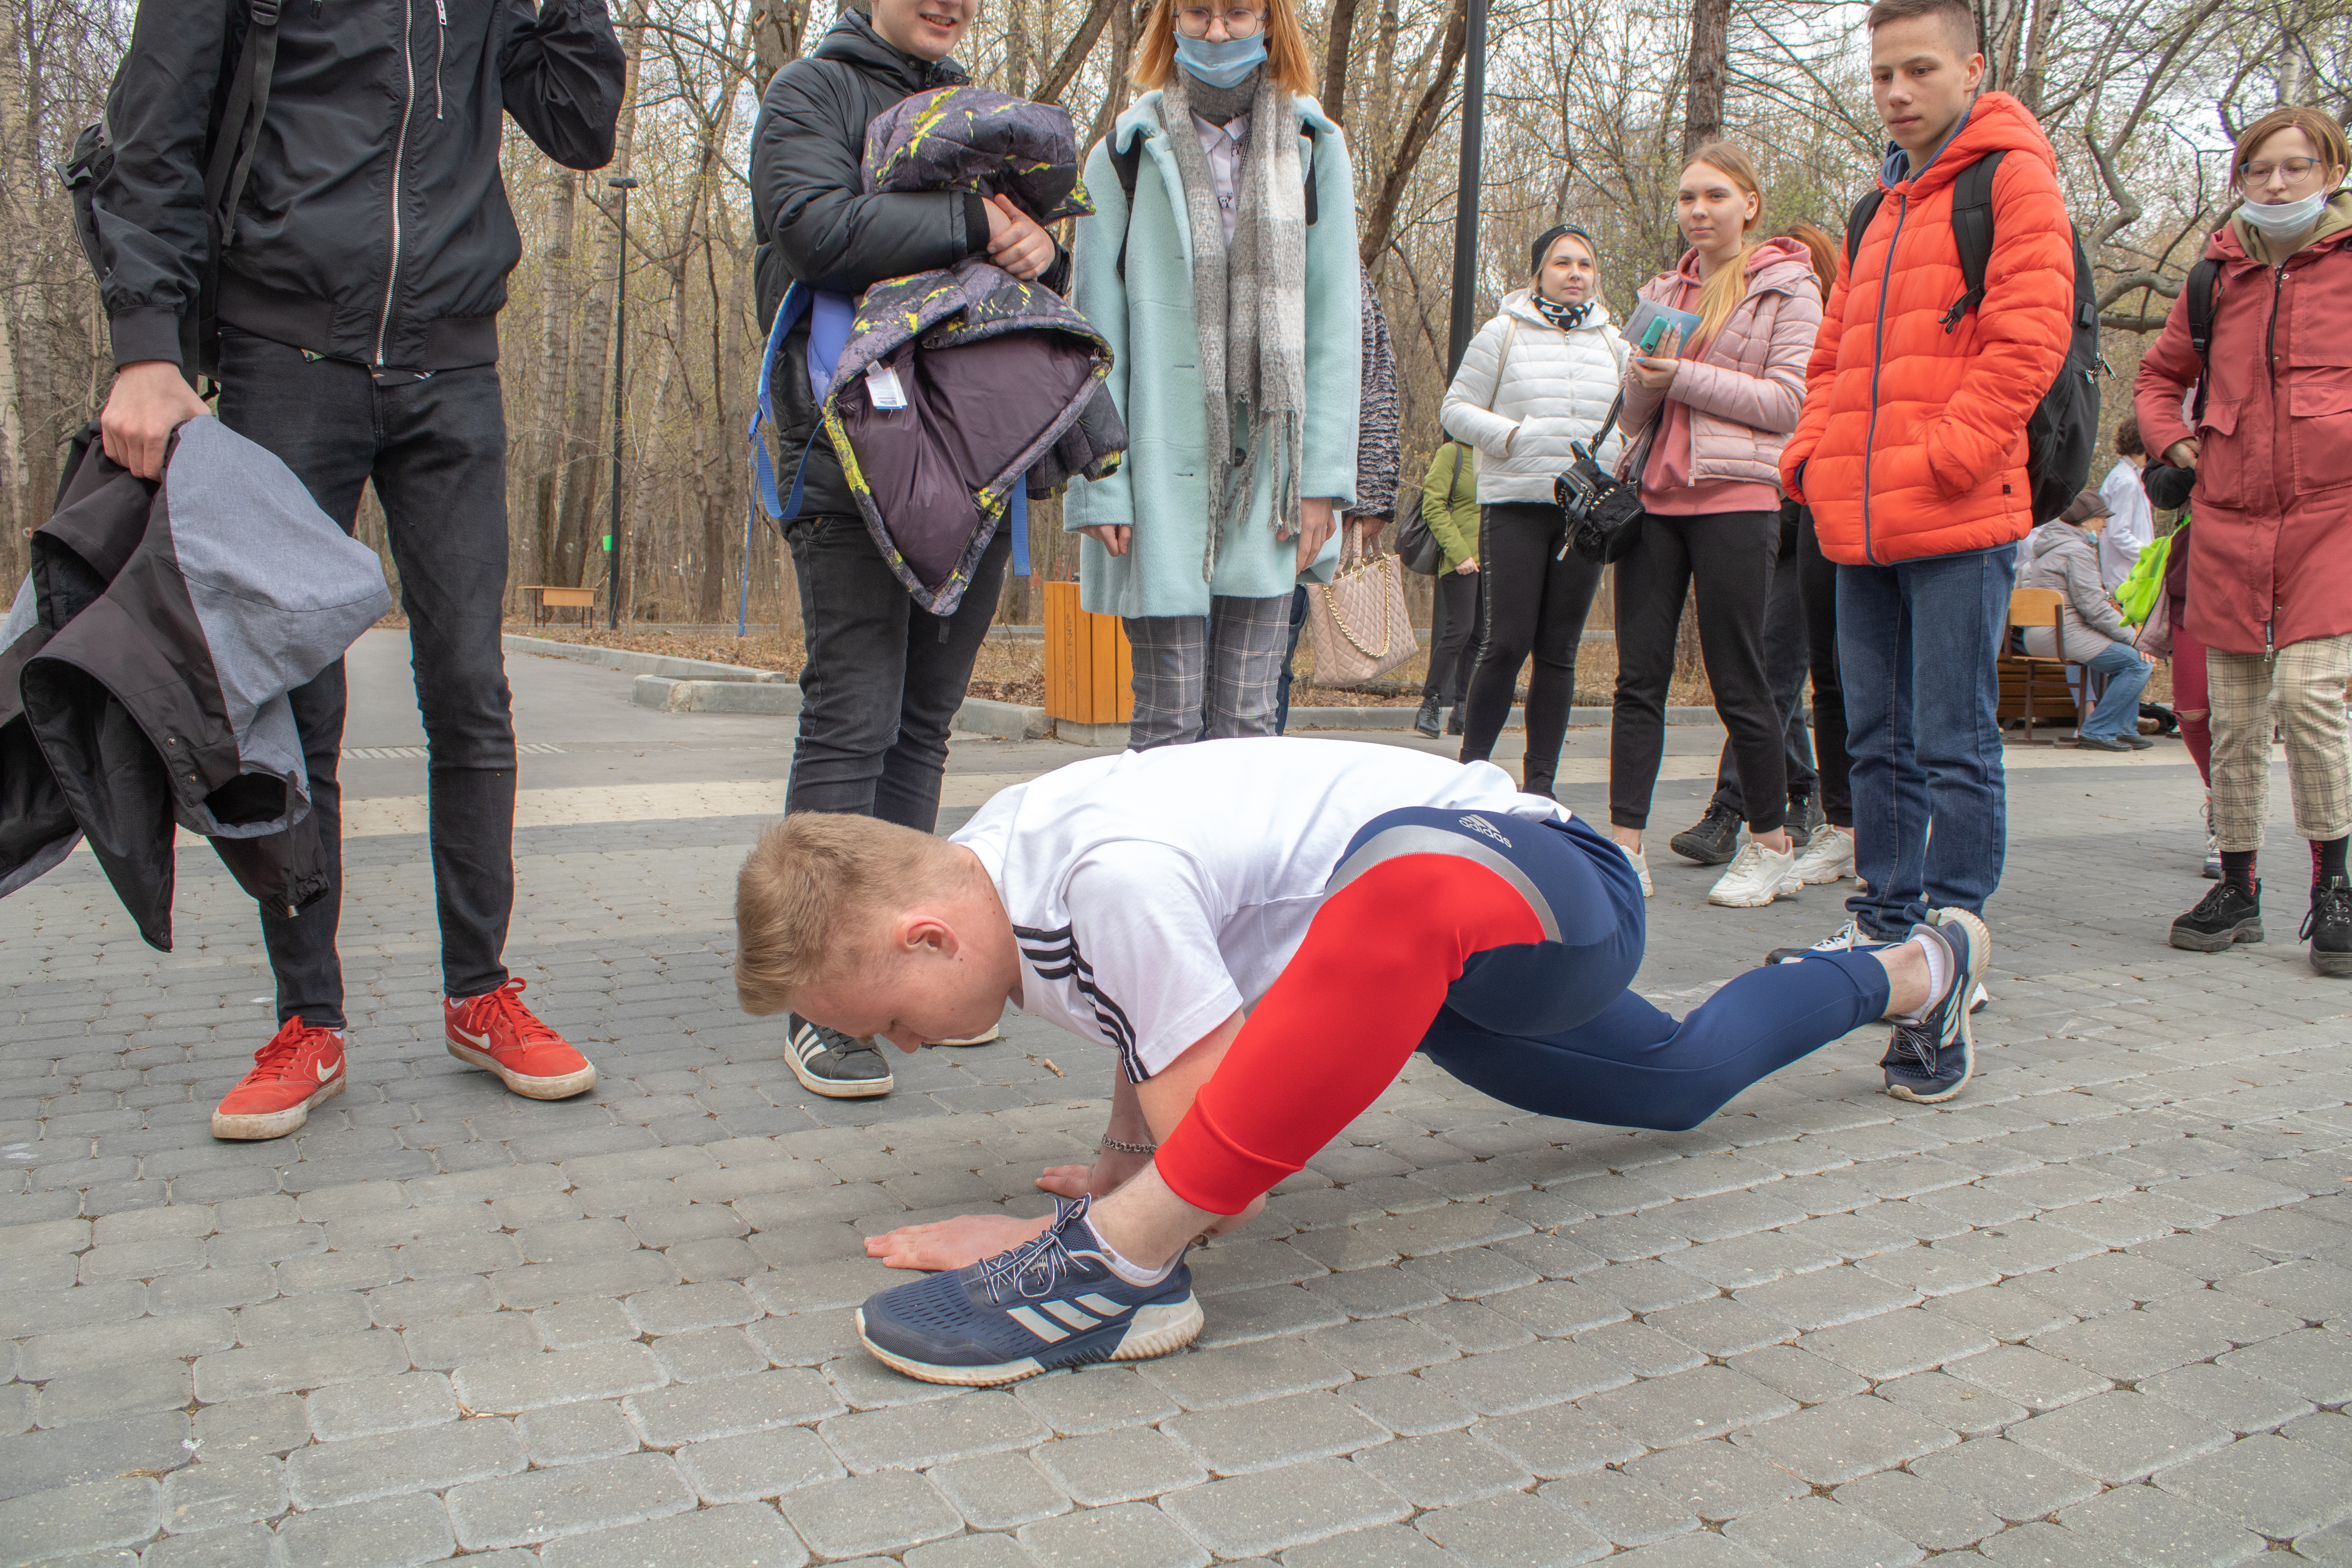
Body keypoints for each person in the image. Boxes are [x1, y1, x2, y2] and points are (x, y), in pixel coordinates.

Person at [728, 739, 1993, 1386]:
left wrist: (1094, 1225)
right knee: (1675, 1086)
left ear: (928, 934)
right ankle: (1917, 969)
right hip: (1418, 976)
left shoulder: (1091, 874)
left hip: (1537, 884)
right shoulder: (1003, 859)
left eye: (888, 1015)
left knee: (1389, 890)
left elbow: (1239, 1177)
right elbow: (1162, 1006)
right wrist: (1119, 1157)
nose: (901, 1045)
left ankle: (1117, 1276)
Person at [92, 0, 624, 1140]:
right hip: (286, 353)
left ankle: (481, 990)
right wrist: (144, 343)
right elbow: (152, 132)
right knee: (298, 696)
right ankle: (308, 1016)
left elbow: (580, 123)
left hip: (454, 363)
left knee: (471, 689)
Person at [749, 0, 1063, 1098]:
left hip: (972, 459)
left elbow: (1027, 274)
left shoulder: (978, 116)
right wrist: (979, 227)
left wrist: (1038, 242)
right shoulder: (814, 91)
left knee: (925, 719)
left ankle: (902, 957)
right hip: (848, 458)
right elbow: (816, 232)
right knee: (854, 714)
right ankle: (816, 994)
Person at [1777, 0, 2078, 1094]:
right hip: (1857, 518)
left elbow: (2030, 334)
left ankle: (1953, 956)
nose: (1898, 91)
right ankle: (1883, 925)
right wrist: (1809, 458)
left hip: (1955, 511)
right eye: (1883, 75)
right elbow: (1834, 352)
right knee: (1875, 741)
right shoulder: (1875, 207)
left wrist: (1952, 453)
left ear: (1971, 69)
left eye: (1919, 70)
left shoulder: (2013, 178)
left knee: (1954, 739)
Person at [1065, 0, 1362, 749]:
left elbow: (1333, 328)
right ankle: (1160, 869)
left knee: (1247, 723)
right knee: (1167, 719)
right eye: (1198, 13)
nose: (1219, 32)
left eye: (1238, 13)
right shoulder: (1123, 156)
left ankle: (1240, 873)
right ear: (1169, 23)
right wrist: (1101, 481)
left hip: (1271, 474)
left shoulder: (1314, 150)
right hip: (1159, 472)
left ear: (1271, 21)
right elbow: (1096, 340)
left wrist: (1322, 480)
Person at [2137, 105, 2352, 975]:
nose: (2276, 183)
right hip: (2227, 519)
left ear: (2331, 172)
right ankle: (2237, 886)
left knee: (2307, 699)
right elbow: (2160, 377)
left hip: (2331, 516)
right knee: (2232, 716)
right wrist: (2171, 443)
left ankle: (2334, 885)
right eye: (2261, 169)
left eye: (2295, 167)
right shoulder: (2214, 277)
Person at [1608, 147, 1824, 909]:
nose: (1697, 211)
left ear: (1750, 204)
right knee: (1639, 678)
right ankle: (1624, 848)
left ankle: (1769, 842)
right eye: (1686, 198)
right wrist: (1640, 379)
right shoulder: (1664, 290)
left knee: (1741, 678)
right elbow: (1634, 413)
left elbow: (1788, 402)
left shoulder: (1788, 291)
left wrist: (1686, 377)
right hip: (1652, 501)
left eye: (1714, 196)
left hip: (1736, 498)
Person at [1441, 226, 1623, 808]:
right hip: (1517, 501)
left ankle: (1541, 784)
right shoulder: (1504, 331)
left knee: (1560, 650)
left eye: (1585, 265)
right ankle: (1471, 773)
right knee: (1506, 642)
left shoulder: (1616, 343)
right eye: (1562, 263)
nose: (1575, 274)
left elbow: (1638, 419)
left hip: (1585, 513)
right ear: (1538, 273)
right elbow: (1455, 410)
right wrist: (1516, 437)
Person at [1276, 267, 1400, 735]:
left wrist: (1371, 496)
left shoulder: (1349, 267)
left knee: (1272, 658)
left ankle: (1257, 778)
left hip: (1304, 499)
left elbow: (1374, 381)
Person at [2018, 490, 2154, 753]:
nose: (2105, 525)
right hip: (2063, 634)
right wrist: (2135, 639)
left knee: (2123, 657)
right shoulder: (2077, 552)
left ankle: (2124, 729)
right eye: (2102, 518)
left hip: (2041, 634)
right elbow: (2094, 608)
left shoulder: (2049, 549)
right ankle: (2098, 730)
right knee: (2138, 662)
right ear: (2086, 521)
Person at [1414, 437, 1485, 739]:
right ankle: (1430, 705)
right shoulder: (1453, 453)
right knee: (1461, 630)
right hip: (1461, 561)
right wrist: (1459, 553)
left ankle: (1463, 710)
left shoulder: (1497, 456)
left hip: (1494, 562)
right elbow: (1433, 507)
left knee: (1482, 637)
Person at [2097, 417, 2155, 592]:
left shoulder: (2130, 477)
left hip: (2132, 574)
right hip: (2126, 577)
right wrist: (2150, 556)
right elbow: (2118, 532)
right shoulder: (2126, 481)